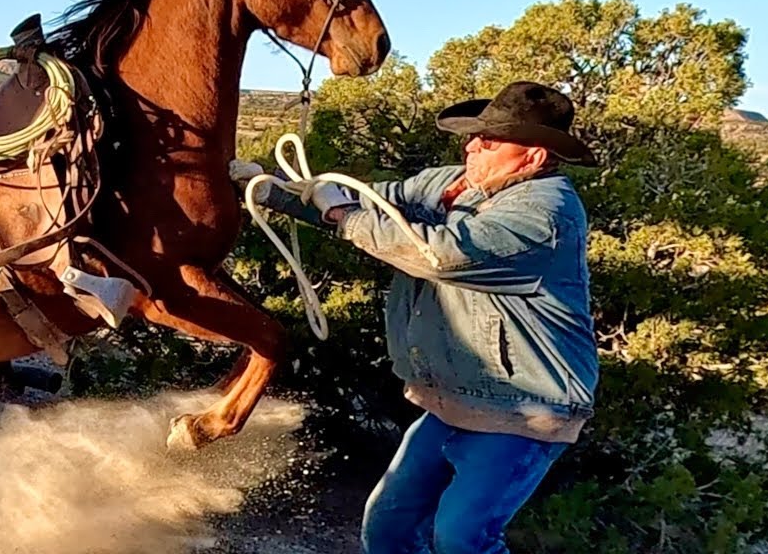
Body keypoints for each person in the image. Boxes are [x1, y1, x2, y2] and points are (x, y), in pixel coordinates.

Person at [230, 81, 600, 554]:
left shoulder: (547, 214)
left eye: (489, 140)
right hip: (452, 399)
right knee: (387, 528)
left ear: (533, 158)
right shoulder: (449, 185)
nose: (471, 145)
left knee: (463, 537)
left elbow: (439, 255)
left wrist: (341, 213)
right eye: (475, 135)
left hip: (525, 410)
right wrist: (266, 190)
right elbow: (364, 199)